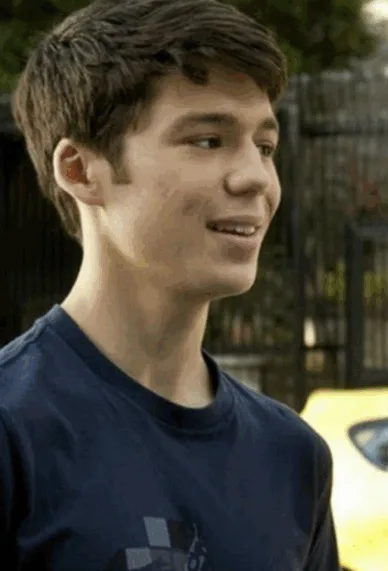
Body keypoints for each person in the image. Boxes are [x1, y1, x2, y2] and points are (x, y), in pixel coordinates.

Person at [0, 0, 339, 568]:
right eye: (208, 140)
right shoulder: (15, 432)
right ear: (80, 170)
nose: (256, 178)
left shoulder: (293, 457)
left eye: (264, 147)